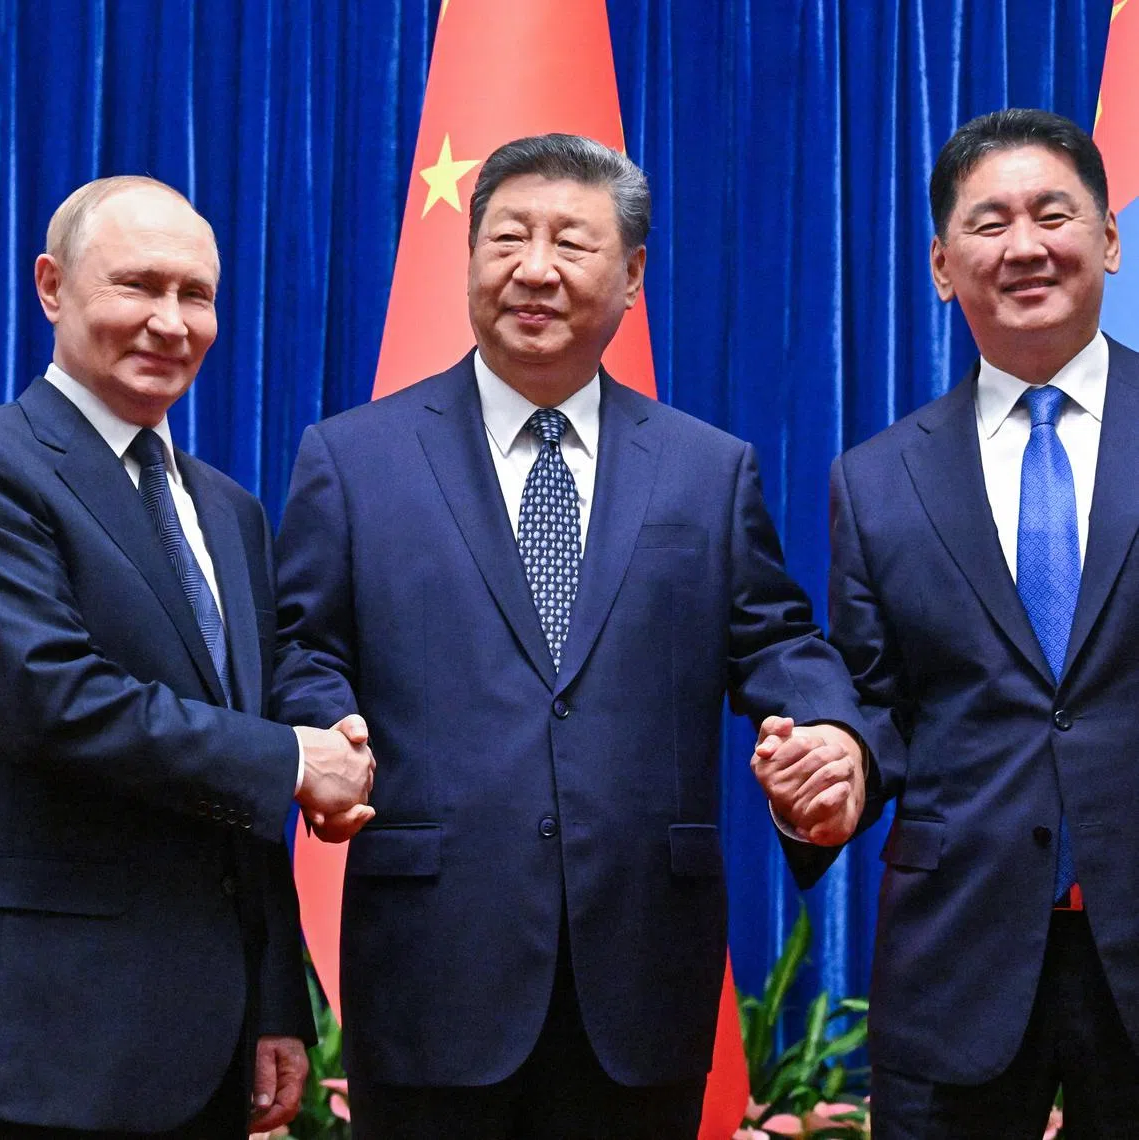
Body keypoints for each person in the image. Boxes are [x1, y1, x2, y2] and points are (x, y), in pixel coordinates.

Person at [271, 132, 868, 1140]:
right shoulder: (354, 457)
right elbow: (301, 647)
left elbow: (776, 641)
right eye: (507, 237)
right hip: (432, 964)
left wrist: (827, 732)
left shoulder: (705, 471)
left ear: (631, 275)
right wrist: (325, 729)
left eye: (571, 243)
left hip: (642, 971)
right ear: (467, 261)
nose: (534, 268)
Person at [755, 109, 1139, 1139]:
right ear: (939, 264)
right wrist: (840, 768)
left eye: (1053, 214)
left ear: (1107, 238)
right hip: (959, 954)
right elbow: (883, 703)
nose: (1024, 246)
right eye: (989, 223)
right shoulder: (877, 481)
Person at [0, 175, 376, 1137]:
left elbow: (234, 787)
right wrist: (297, 761)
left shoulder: (227, 509)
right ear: (51, 286)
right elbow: (54, 696)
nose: (171, 322)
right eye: (138, 286)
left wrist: (276, 1003)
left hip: (208, 1048)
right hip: (50, 1045)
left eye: (196, 295)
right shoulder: (9, 466)